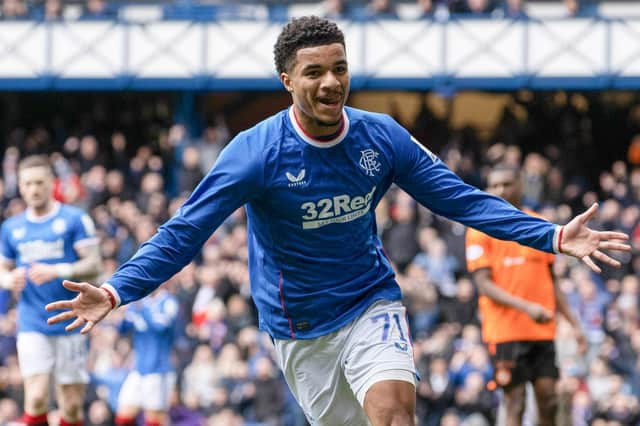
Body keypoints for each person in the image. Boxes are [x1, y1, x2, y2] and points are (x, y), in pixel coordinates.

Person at [46, 16, 629, 426]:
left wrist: (549, 234)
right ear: (288, 82)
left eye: (340, 68)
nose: (331, 82)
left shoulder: (381, 137)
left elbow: (460, 198)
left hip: (370, 300)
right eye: (315, 72)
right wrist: (120, 289)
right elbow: (185, 232)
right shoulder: (256, 153)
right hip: (298, 325)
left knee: (395, 413)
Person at [465, 164, 587, 426]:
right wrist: (527, 307)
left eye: (506, 184)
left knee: (550, 399)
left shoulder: (539, 224)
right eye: (494, 185)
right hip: (505, 333)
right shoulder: (478, 229)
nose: (500, 190)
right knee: (515, 401)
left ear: (520, 184)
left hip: (542, 330)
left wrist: (574, 324)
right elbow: (484, 285)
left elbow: (551, 281)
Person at [0, 155, 101, 426]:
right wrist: (9, 280)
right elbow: (1, 270)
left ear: (51, 184)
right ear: (20, 186)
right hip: (32, 321)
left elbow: (95, 264)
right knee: (35, 398)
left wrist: (58, 270)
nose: (34, 189)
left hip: (72, 319)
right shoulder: (11, 227)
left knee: (70, 406)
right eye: (28, 183)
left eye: (39, 183)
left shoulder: (74, 219)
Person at [114, 288, 178, 426]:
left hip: (158, 368)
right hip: (138, 367)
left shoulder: (168, 302)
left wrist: (141, 308)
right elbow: (123, 329)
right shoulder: (139, 302)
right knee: (123, 414)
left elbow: (161, 328)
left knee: (154, 417)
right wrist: (122, 317)